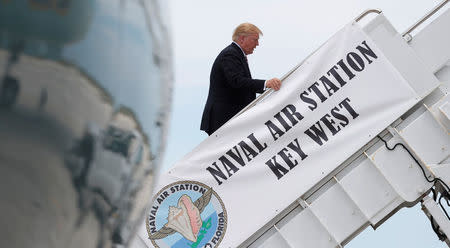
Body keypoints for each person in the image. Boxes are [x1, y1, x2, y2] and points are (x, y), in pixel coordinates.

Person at [200, 23, 282, 135]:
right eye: (255, 40)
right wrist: (266, 83)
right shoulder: (230, 54)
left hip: (229, 119)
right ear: (242, 38)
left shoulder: (236, 54)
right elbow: (237, 82)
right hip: (223, 119)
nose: (257, 44)